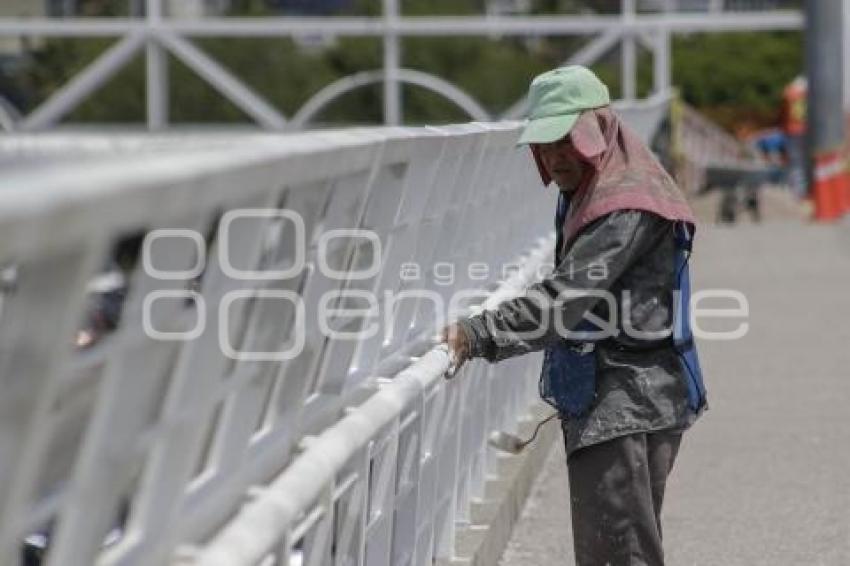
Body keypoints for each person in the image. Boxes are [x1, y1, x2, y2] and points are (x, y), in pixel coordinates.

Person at [441, 66, 707, 566]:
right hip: (628, 395)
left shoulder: (618, 205)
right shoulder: (603, 181)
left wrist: (478, 333)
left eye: (567, 140)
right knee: (623, 547)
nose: (556, 156)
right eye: (545, 145)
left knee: (619, 552)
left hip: (626, 402)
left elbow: (564, 300)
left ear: (599, 130)